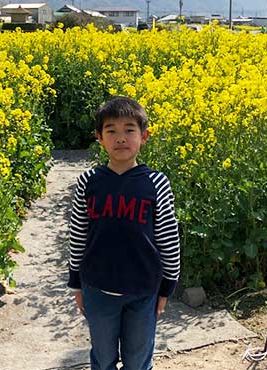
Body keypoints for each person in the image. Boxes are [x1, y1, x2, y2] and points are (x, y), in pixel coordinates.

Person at [67, 96, 181, 370]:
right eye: (111, 131)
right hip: (98, 289)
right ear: (99, 138)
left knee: (138, 360)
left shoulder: (156, 183)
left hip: (143, 291)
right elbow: (78, 234)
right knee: (103, 358)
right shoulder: (88, 181)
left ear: (144, 136)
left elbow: (168, 238)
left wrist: (167, 287)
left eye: (129, 129)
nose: (121, 138)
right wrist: (76, 283)